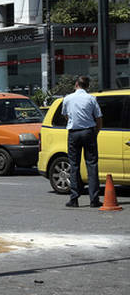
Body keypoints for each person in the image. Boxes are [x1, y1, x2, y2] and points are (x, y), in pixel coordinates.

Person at [61, 75, 103, 208]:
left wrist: (73, 121)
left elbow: (65, 115)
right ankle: (94, 199)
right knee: (92, 164)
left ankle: (74, 198)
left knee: (74, 165)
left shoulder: (67, 98)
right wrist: (96, 132)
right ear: (87, 86)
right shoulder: (91, 98)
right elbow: (99, 117)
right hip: (88, 131)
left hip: (73, 133)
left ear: (76, 84)